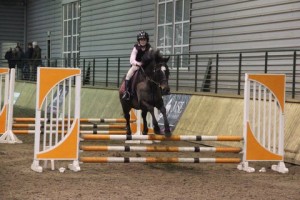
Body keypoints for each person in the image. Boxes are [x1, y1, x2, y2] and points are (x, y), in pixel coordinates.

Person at [122, 31, 152, 100]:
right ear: (139, 40)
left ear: (147, 40)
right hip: (136, 65)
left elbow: (151, 57)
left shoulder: (149, 48)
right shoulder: (136, 48)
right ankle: (127, 92)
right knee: (128, 75)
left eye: (144, 39)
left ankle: (160, 89)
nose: (143, 41)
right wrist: (138, 63)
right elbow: (132, 59)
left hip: (146, 66)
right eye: (141, 40)